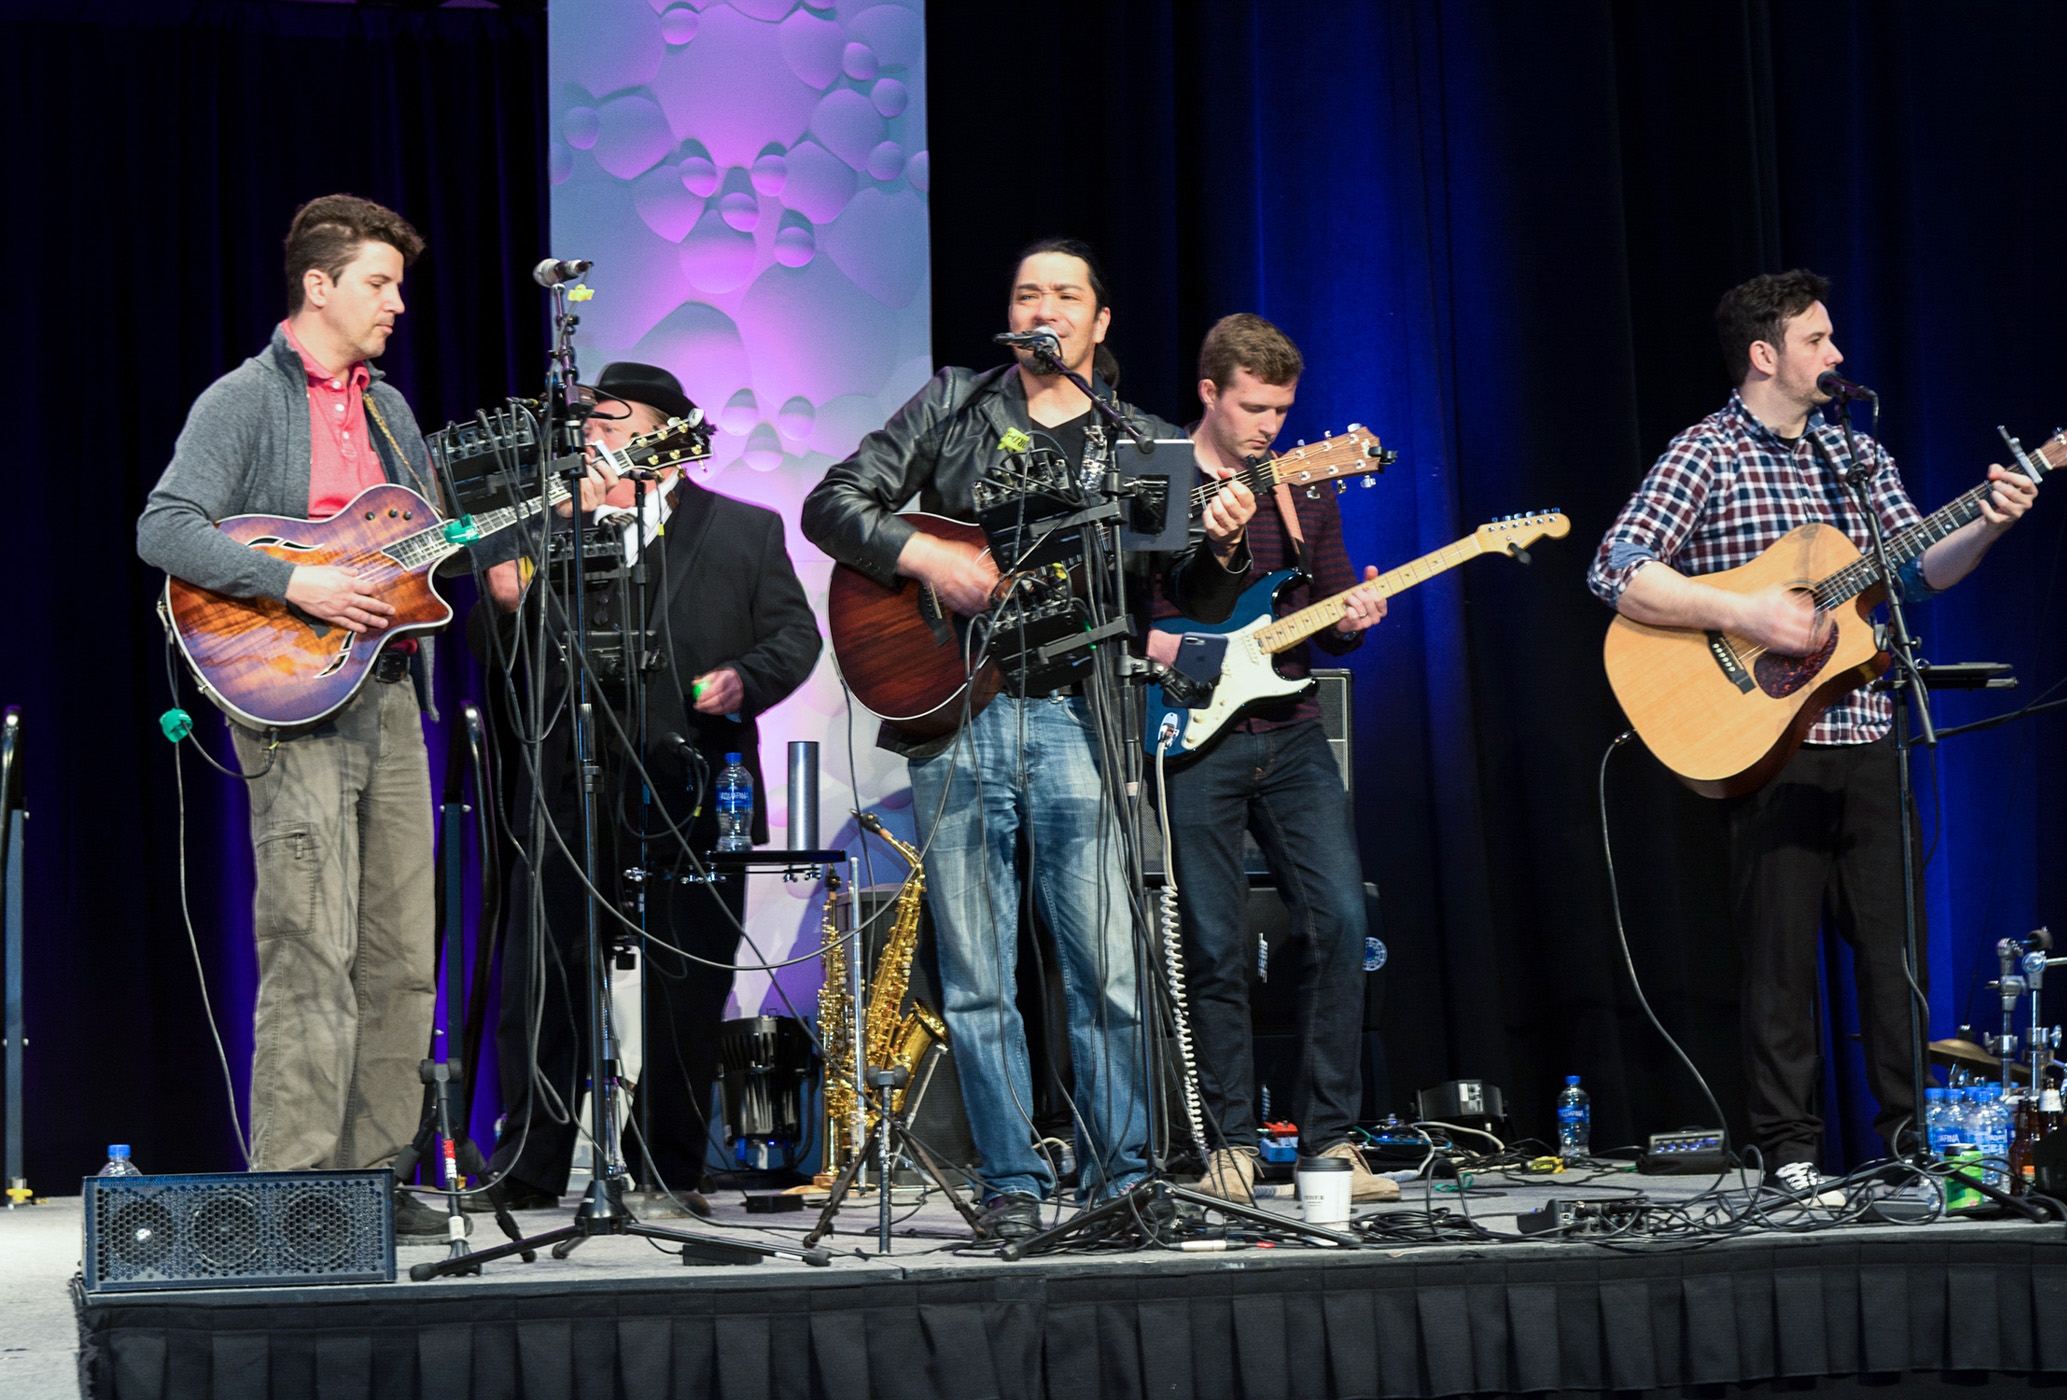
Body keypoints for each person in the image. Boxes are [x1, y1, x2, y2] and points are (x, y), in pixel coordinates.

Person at [801, 239, 1256, 1240]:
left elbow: (1185, 594)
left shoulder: (1140, 441)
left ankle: (1121, 1174)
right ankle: (1008, 1178)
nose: (1042, 304)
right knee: (975, 971)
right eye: (1024, 292)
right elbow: (831, 502)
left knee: (1107, 966)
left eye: (1064, 294)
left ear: (1098, 324)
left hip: (1079, 718)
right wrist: (927, 553)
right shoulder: (956, 406)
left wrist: (1222, 542)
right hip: (960, 713)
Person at [1586, 270, 2036, 1188]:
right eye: (1818, 340)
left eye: (1834, 341)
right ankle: (1789, 1155)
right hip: (1763, 749)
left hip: (1868, 732)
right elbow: (1616, 567)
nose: (1837, 356)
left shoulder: (1857, 459)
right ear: (1766, 354)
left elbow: (1918, 570)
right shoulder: (1705, 453)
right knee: (1780, 969)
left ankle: (1910, 1151)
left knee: (1895, 961)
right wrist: (1745, 614)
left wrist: (1987, 526)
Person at [137, 194, 515, 1236]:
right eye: (379, 283)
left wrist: (533, 516)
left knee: (401, 952)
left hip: (393, 698)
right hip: (291, 701)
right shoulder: (243, 401)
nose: (397, 304)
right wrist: (291, 585)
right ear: (319, 286)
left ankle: (373, 1182)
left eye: (399, 285)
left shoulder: (392, 414)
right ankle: (295, 1192)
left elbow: (429, 555)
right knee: (312, 943)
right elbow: (163, 527)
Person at [481, 362, 821, 1211]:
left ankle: (669, 1164)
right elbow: (500, 621)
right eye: (587, 421)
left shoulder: (744, 530)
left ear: (667, 434)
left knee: (688, 980)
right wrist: (566, 523)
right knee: (550, 976)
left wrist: (746, 679)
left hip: (697, 787)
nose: (593, 435)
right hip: (570, 782)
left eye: (613, 420)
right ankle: (529, 1166)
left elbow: (794, 635)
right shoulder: (550, 525)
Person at [1143, 314, 1399, 1205]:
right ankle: (1230, 1147)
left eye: (1282, 411)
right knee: (1213, 947)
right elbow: (1125, 614)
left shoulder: (1307, 486)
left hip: (1290, 727)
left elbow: (1325, 616)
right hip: (1193, 736)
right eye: (1253, 407)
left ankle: (1331, 1142)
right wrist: (1179, 648)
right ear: (1209, 393)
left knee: (1338, 923)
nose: (1269, 428)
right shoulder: (1156, 475)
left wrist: (1354, 619)